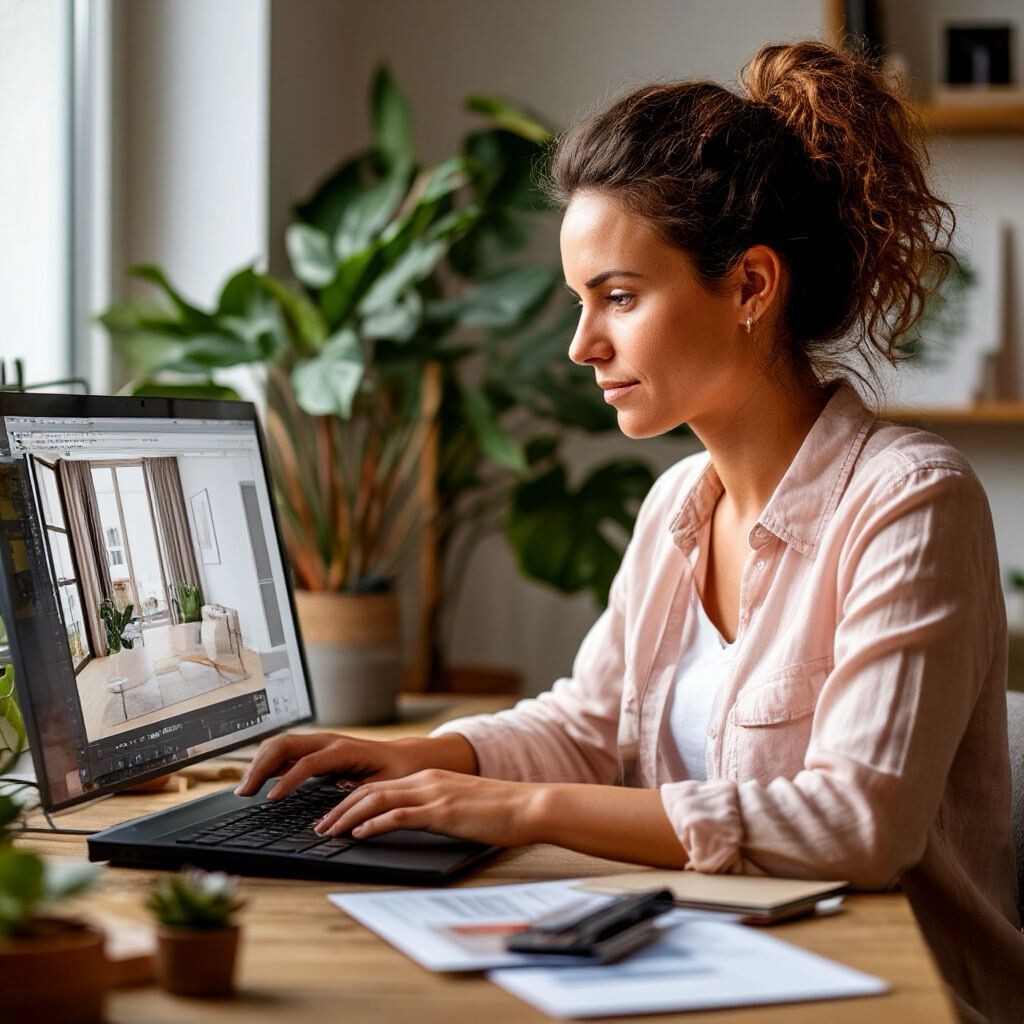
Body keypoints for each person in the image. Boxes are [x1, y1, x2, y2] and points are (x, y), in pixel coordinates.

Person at [237, 40, 1023, 1023]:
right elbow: (589, 724)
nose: (582, 344)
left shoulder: (910, 502)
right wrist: (432, 756)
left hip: (899, 995)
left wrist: (518, 807)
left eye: (617, 296)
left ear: (748, 287)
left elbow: (858, 824)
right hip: (711, 966)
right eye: (581, 301)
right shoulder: (678, 506)